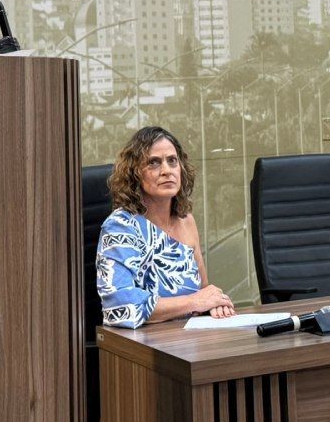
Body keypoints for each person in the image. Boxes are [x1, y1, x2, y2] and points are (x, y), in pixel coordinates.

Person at [96, 126, 235, 327]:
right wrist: (195, 302)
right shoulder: (119, 227)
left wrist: (215, 303)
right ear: (134, 173)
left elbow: (203, 291)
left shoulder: (186, 220)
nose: (166, 170)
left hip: (191, 338)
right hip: (145, 346)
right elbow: (119, 307)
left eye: (172, 161)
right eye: (154, 163)